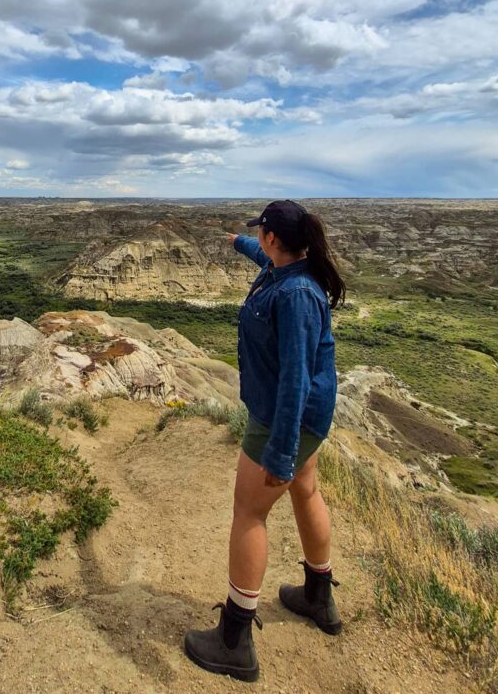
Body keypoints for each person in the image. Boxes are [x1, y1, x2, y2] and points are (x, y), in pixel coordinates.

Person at [184, 199, 346, 682]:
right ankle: (318, 597)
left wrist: (278, 449)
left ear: (275, 238)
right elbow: (264, 261)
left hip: (283, 417)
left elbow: (295, 377)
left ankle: (234, 640)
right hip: (307, 418)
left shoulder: (296, 296)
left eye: (261, 235)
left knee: (249, 513)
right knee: (306, 489)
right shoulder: (291, 269)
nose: (261, 241)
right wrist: (236, 243)